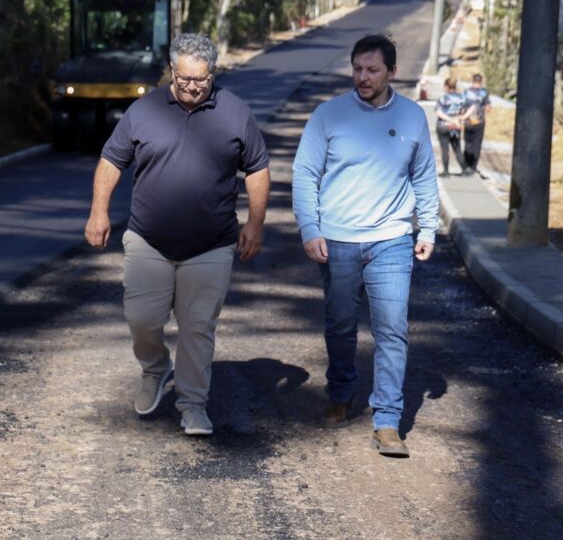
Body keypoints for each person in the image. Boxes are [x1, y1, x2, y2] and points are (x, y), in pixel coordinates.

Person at [85, 33, 271, 437]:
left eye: (200, 80)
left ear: (213, 74)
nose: (191, 87)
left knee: (197, 327)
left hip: (211, 244)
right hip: (148, 239)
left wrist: (255, 223)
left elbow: (257, 168)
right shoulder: (144, 109)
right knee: (142, 317)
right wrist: (99, 211)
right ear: (172, 70)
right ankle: (155, 369)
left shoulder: (235, 112)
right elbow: (111, 160)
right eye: (184, 78)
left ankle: (192, 405)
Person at [291, 34, 438, 458]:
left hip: (392, 238)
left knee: (392, 329)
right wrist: (310, 229)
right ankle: (340, 393)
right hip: (337, 239)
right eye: (357, 69)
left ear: (392, 72)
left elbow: (424, 176)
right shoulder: (328, 115)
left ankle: (387, 421)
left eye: (372, 70)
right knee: (340, 325)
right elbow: (305, 174)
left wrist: (428, 229)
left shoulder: (412, 117)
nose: (363, 77)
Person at [434, 77, 467, 177]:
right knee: (457, 148)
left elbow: (438, 112)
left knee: (445, 149)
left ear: (447, 87)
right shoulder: (462, 98)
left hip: (443, 126)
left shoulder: (444, 98)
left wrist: (449, 119)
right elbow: (463, 111)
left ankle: (446, 171)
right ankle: (465, 169)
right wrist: (457, 119)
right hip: (455, 126)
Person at [462, 74, 492, 175]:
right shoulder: (484, 92)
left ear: (472, 80)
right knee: (477, 144)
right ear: (481, 81)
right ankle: (473, 166)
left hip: (468, 122)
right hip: (479, 122)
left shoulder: (466, 92)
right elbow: (488, 108)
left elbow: (462, 107)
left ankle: (466, 165)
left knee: (467, 143)